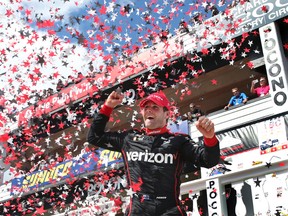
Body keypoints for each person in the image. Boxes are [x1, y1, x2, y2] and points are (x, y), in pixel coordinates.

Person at [87, 91, 220, 215]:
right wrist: (108, 107)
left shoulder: (178, 141)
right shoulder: (129, 139)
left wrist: (209, 138)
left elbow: (209, 161)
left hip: (169, 210)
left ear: (167, 114)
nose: (149, 110)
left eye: (155, 107)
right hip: (138, 210)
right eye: (146, 107)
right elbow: (94, 136)